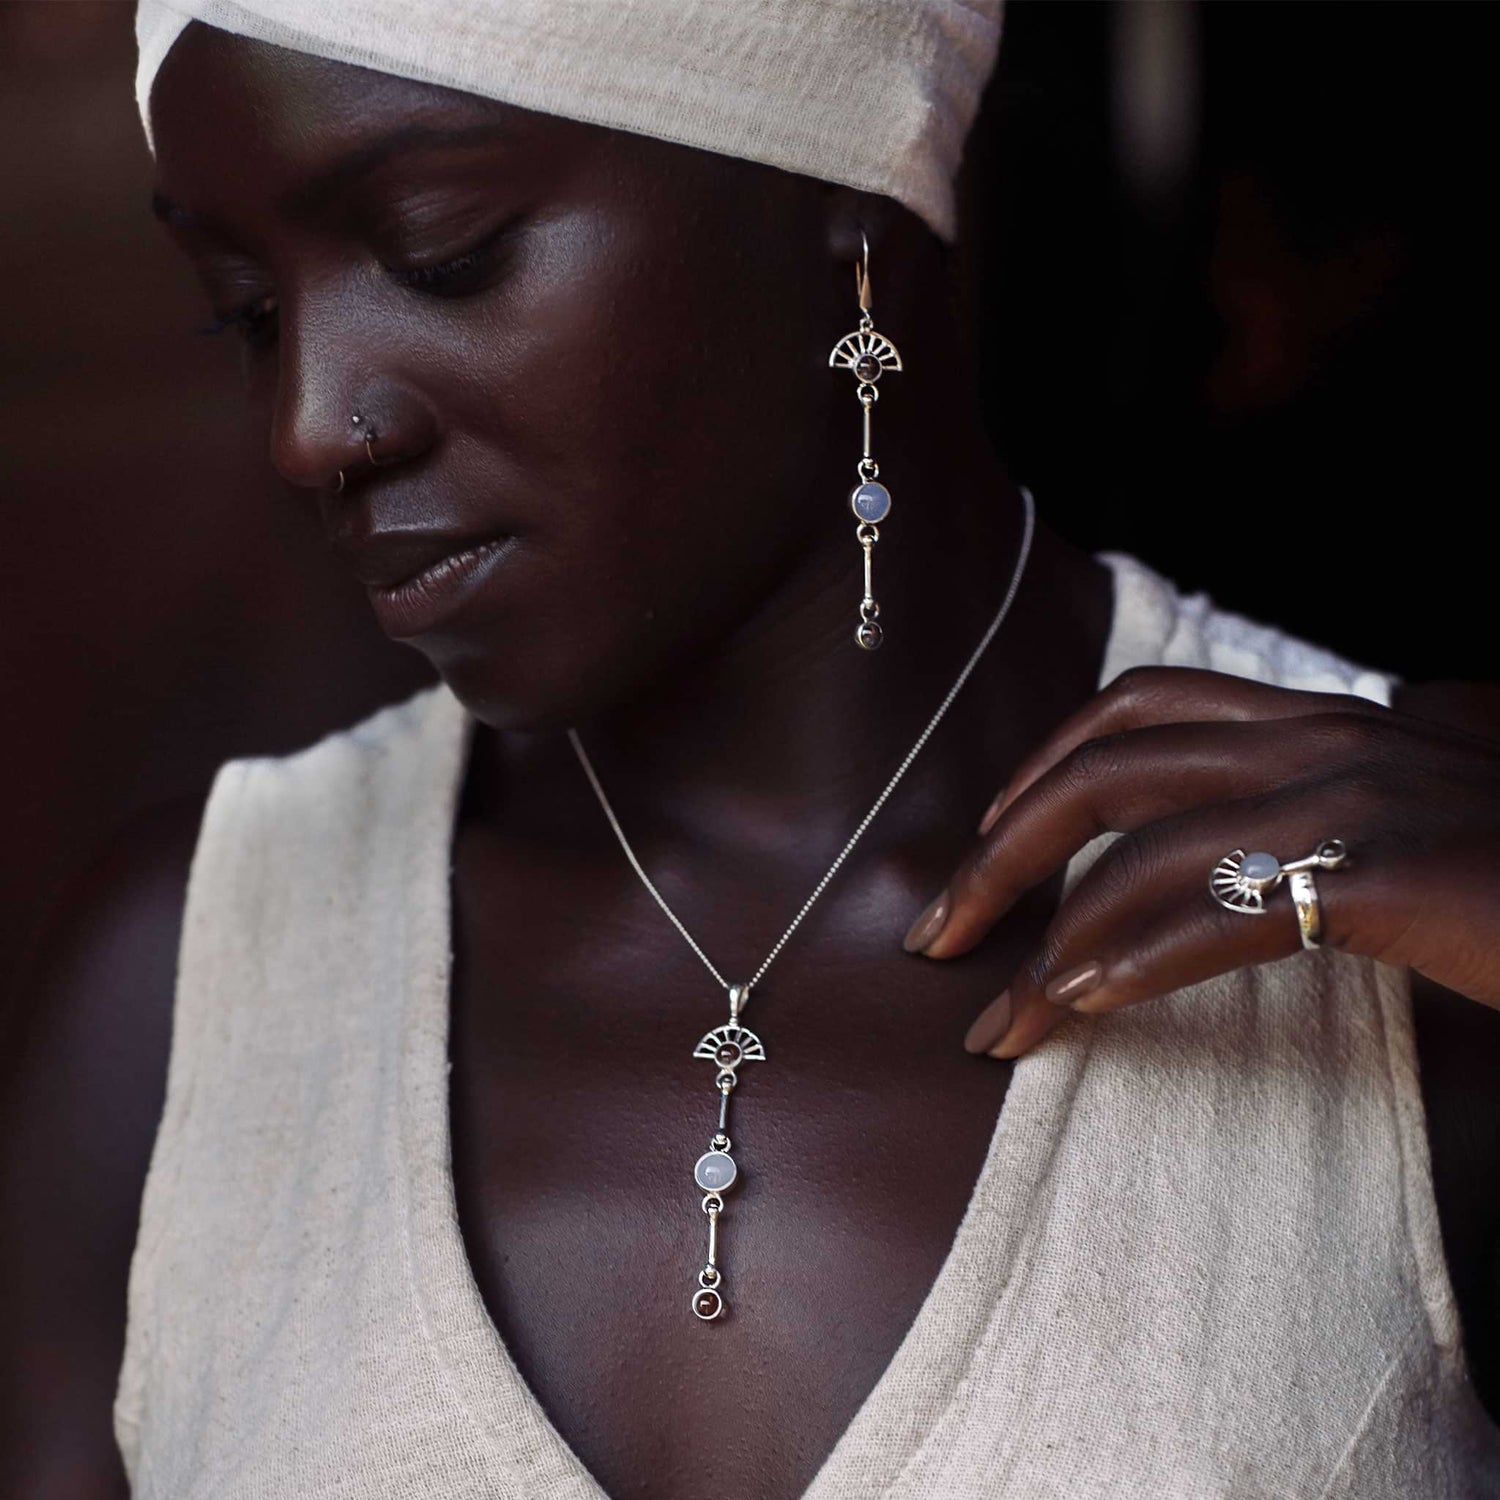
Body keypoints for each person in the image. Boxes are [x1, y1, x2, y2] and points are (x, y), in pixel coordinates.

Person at [3, 3, 1499, 1496]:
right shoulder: (187, 989)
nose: (312, 426)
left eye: (440, 249)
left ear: (848, 227)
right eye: (246, 310)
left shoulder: (1405, 926)